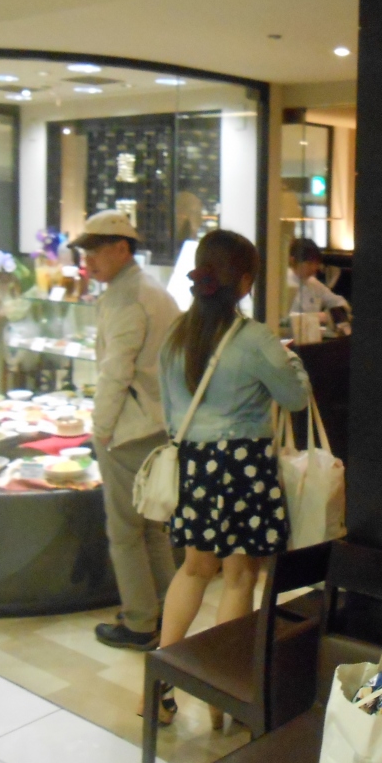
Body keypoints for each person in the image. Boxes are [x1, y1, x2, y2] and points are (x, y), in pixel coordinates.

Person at [152, 229, 311, 726]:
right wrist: (293, 362)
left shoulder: (176, 336)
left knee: (193, 570)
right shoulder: (254, 339)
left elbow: (170, 412)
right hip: (243, 467)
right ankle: (221, 698)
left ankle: (155, 688)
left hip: (195, 466)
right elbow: (295, 398)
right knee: (239, 577)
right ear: (243, 282)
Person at [70, 212, 182, 651]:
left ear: (122, 248)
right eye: (85, 252)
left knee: (125, 532)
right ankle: (168, 614)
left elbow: (115, 372)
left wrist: (100, 428)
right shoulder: (150, 288)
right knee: (152, 528)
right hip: (159, 425)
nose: (89, 260)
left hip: (130, 430)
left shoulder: (128, 298)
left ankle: (139, 623)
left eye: (95, 251)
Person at [287, 238, 350, 328]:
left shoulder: (314, 284)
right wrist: (315, 317)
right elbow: (285, 319)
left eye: (316, 263)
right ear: (293, 261)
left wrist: (330, 315)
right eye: (309, 263)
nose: (314, 268)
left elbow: (339, 302)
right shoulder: (283, 283)